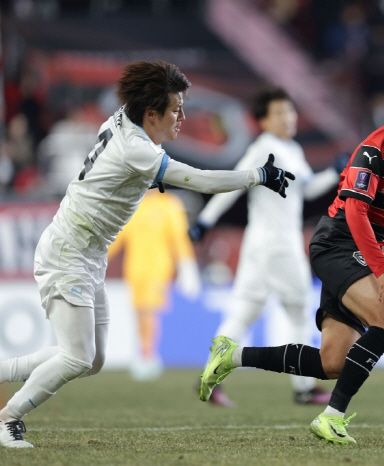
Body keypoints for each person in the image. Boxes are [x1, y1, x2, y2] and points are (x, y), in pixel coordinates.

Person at [0, 60, 294, 448]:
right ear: (151, 113)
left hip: (87, 255)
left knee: (93, 359)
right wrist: (258, 175)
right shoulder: (137, 150)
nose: (183, 116)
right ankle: (8, 417)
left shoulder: (125, 120)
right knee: (77, 357)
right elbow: (202, 180)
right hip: (68, 253)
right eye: (176, 109)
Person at [198, 71, 384, 444]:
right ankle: (332, 417)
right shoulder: (374, 151)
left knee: (332, 364)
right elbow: (357, 215)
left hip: (360, 250)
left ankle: (233, 356)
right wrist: (383, 270)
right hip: (338, 243)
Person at [188, 87, 345, 406]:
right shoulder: (264, 149)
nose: (288, 118)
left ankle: (209, 377)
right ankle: (303, 388)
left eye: (290, 111)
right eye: (279, 113)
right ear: (261, 121)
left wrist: (333, 171)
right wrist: (205, 220)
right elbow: (234, 183)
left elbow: (308, 189)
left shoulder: (291, 149)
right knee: (299, 312)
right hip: (278, 244)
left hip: (260, 244)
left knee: (244, 311)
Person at [108, 189, 201, 381]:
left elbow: (178, 238)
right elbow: (117, 238)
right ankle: (144, 353)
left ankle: (148, 355)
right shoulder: (132, 205)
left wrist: (186, 265)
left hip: (158, 268)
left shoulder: (169, 204)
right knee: (139, 312)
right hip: (135, 269)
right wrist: (97, 256)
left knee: (150, 311)